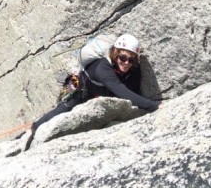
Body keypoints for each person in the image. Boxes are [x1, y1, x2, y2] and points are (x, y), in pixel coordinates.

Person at [23, 33, 159, 148]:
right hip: (84, 90)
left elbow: (133, 92)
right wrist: (155, 106)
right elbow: (122, 91)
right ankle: (33, 129)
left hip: (105, 91)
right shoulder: (102, 68)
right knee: (63, 110)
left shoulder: (133, 68)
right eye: (123, 58)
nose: (126, 63)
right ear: (115, 53)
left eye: (131, 59)